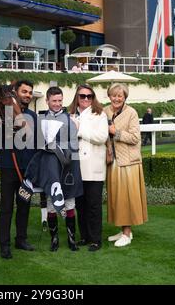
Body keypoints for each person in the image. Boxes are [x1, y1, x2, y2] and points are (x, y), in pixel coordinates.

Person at [22, 87, 83, 252]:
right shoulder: (41, 119)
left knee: (69, 204)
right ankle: (54, 239)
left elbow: (73, 145)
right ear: (47, 101)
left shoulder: (69, 120)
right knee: (50, 204)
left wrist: (60, 150)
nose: (57, 104)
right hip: (50, 169)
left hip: (66, 168)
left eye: (60, 101)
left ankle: (71, 239)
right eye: (54, 101)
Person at [0, 80, 37, 259]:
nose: (27, 95)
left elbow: (37, 143)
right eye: (24, 91)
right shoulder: (3, 114)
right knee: (6, 207)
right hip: (8, 167)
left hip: (26, 169)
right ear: (16, 92)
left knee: (24, 205)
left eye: (30, 92)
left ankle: (21, 239)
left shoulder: (33, 116)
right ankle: (4, 245)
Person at [104, 83, 148, 248]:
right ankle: (123, 229)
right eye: (113, 95)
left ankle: (127, 233)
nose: (116, 98)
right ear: (109, 96)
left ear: (125, 97)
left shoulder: (131, 113)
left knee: (126, 198)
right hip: (112, 160)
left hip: (128, 162)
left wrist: (117, 132)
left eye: (119, 96)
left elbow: (136, 138)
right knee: (116, 197)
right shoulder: (105, 111)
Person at [68, 84, 108, 252]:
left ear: (93, 98)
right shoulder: (69, 114)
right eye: (82, 96)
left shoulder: (100, 114)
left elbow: (102, 136)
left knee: (93, 205)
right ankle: (84, 236)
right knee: (80, 205)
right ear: (77, 97)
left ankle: (95, 239)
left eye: (89, 96)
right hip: (76, 166)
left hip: (93, 166)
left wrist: (79, 130)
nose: (85, 99)